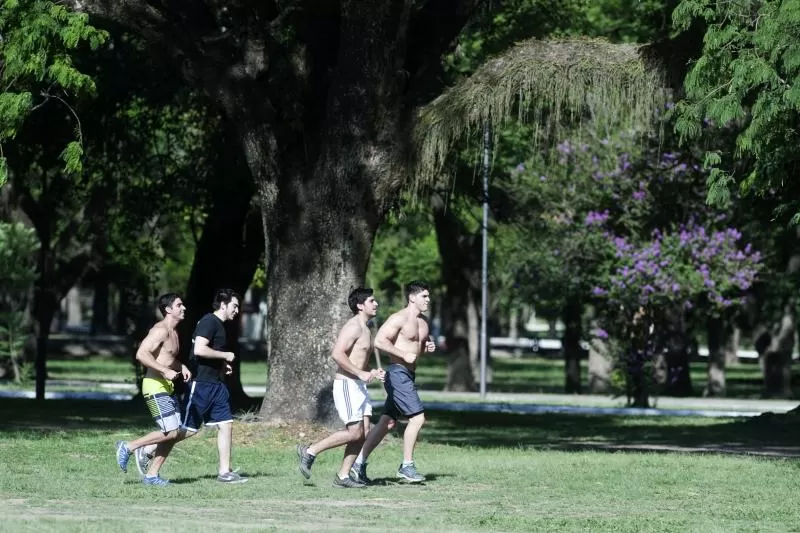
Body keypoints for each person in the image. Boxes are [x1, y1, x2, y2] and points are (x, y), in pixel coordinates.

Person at [296, 287, 385, 488]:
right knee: (354, 432)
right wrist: (360, 373)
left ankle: (343, 476)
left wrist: (371, 372)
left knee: (363, 432)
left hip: (359, 385)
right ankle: (310, 451)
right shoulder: (353, 326)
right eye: (372, 301)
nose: (376, 303)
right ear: (360, 305)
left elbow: (359, 360)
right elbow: (337, 353)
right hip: (346, 384)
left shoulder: (367, 328)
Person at [350, 281, 436, 484]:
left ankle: (357, 464)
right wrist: (403, 354)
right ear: (412, 297)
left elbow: (417, 348)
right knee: (417, 419)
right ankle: (406, 466)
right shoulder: (398, 318)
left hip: (408, 375)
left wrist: (427, 348)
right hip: (397, 373)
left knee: (387, 422)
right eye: (424, 296)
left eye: (428, 296)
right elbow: (380, 341)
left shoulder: (424, 322)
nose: (428, 300)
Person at [115, 293, 192, 486]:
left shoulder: (174, 332)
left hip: (167, 386)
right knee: (171, 432)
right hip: (154, 386)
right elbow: (142, 354)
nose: (183, 308)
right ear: (168, 310)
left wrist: (180, 366)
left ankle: (151, 476)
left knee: (173, 434)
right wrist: (165, 370)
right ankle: (129, 446)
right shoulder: (161, 330)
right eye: (179, 305)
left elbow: (166, 356)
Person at [181, 288, 248, 484]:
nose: (237, 310)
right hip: (201, 383)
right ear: (223, 305)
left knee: (226, 424)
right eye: (234, 306)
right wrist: (225, 356)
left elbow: (210, 351)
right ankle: (147, 449)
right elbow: (199, 349)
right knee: (188, 429)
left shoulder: (219, 325)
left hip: (216, 384)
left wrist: (222, 364)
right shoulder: (209, 321)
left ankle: (224, 472)